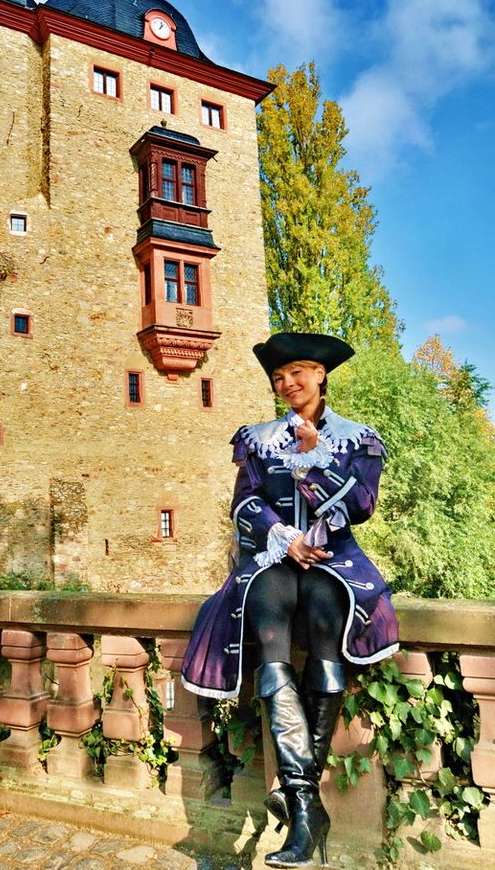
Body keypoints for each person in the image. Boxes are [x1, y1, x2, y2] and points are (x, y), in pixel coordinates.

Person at [181, 332, 399, 869]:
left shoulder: (357, 439)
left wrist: (311, 462)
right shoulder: (257, 439)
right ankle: (306, 806)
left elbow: (363, 503)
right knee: (266, 618)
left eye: (298, 371)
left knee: (328, 623)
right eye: (280, 377)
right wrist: (283, 536)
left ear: (321, 375)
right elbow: (247, 501)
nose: (289, 383)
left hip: (333, 560)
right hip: (276, 558)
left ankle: (300, 804)